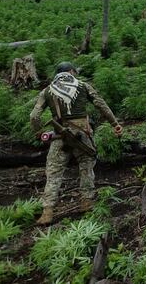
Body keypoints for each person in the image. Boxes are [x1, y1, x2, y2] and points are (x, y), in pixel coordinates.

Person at [30, 61, 122, 225]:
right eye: (75, 72)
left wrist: (39, 133)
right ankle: (86, 202)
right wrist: (115, 124)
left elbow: (34, 116)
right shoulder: (82, 86)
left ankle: (47, 212)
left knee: (53, 173)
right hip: (82, 135)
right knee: (86, 166)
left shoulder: (47, 90)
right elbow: (101, 105)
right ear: (71, 71)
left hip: (60, 136)